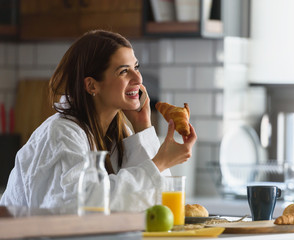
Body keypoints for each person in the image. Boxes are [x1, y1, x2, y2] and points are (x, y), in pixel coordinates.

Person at [0, 30, 197, 212]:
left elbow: (155, 206)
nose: (138, 78)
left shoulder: (118, 132)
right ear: (92, 85)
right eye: (123, 71)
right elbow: (79, 206)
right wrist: (159, 162)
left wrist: (143, 127)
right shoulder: (60, 134)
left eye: (136, 67)